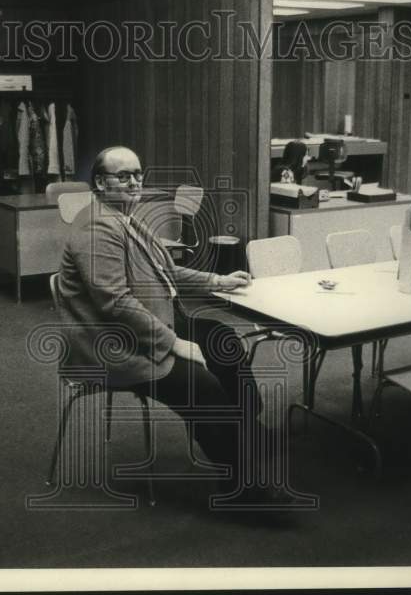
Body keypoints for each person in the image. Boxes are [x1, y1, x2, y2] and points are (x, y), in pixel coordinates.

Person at [56, 146, 280, 503]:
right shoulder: (96, 227)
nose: (134, 182)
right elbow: (115, 302)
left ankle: (245, 432)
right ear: (100, 182)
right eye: (123, 175)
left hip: (149, 326)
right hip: (115, 347)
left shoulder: (126, 216)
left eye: (137, 174)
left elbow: (167, 270)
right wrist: (173, 343)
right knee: (200, 385)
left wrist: (217, 281)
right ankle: (243, 491)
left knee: (220, 337)